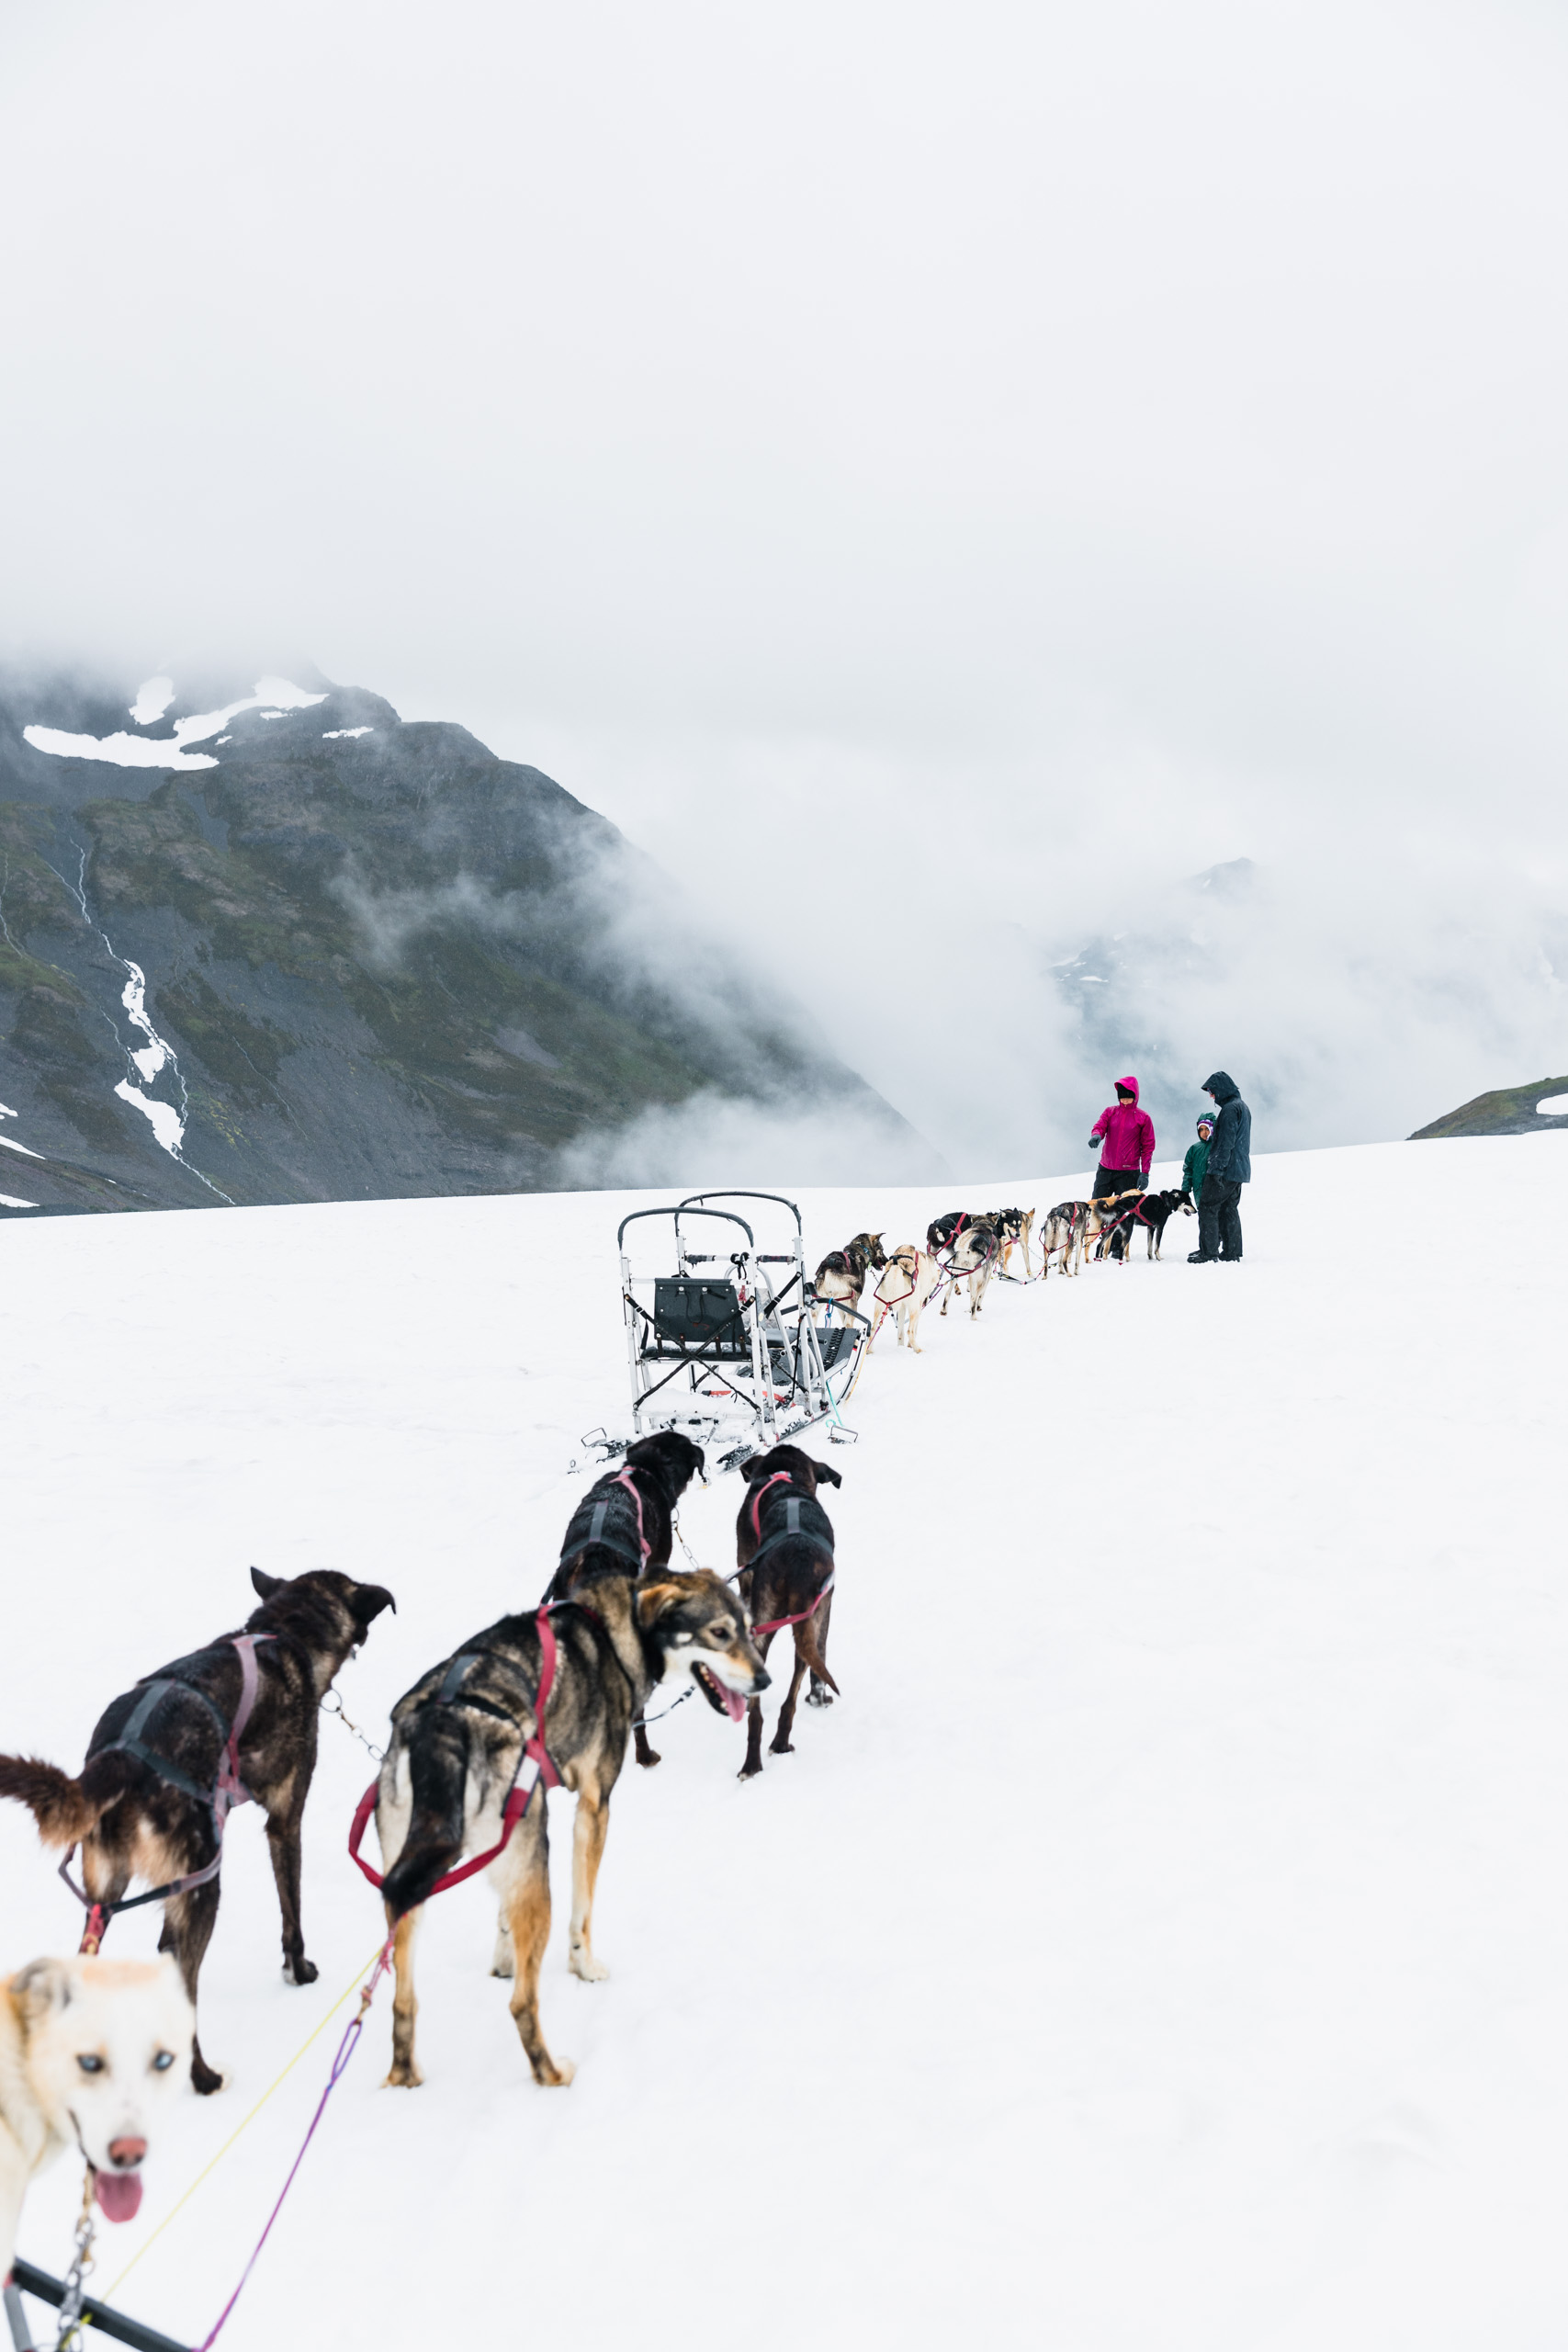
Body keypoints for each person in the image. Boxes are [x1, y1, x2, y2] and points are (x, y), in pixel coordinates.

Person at [1189, 1070, 1250, 1262]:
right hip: (1239, 1170)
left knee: (1208, 1206)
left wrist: (1216, 1169)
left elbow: (1225, 1143)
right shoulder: (1242, 1107)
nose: (1211, 1095)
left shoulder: (1230, 1110)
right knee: (1229, 1208)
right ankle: (1231, 1252)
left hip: (1225, 1169)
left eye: (1212, 1091)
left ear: (1222, 1089)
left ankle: (1209, 1252)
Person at [1088, 1075, 1154, 1200]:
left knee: (1124, 1213)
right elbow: (1100, 1126)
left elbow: (1148, 1147)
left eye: (1128, 1098)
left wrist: (1145, 1173)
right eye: (1122, 1098)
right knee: (1096, 1208)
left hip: (1128, 1174)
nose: (1124, 1101)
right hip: (1105, 1169)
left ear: (1135, 1096)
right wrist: (1096, 1135)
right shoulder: (1110, 1112)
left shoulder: (1143, 1118)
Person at [1180, 1113, 1214, 1206]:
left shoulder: (1218, 1146)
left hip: (1216, 1191)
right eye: (1201, 1129)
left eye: (1207, 1129)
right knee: (1203, 1218)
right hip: (1199, 1192)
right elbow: (1188, 1170)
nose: (1204, 1132)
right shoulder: (1194, 1149)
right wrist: (1185, 1190)